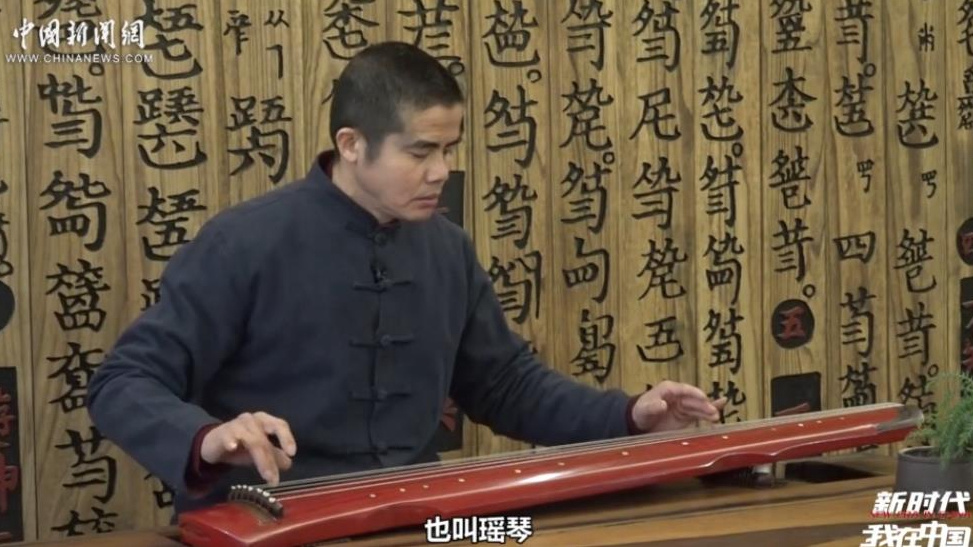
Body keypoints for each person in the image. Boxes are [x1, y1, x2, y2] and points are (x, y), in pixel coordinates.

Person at [86, 41, 725, 516]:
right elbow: (123, 382)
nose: (441, 171)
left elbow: (503, 384)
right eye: (420, 152)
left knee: (536, 535)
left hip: (422, 517)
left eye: (448, 150)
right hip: (275, 521)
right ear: (352, 144)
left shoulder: (446, 249)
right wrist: (206, 437)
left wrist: (628, 415)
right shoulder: (244, 242)